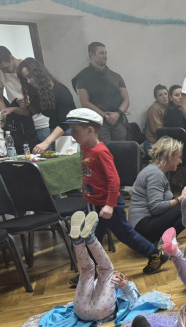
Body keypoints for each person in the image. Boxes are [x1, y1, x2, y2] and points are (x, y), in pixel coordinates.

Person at [67, 108, 168, 274]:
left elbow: (114, 180)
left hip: (109, 205)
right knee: (91, 238)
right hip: (94, 204)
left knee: (125, 234)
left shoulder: (101, 152)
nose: (72, 134)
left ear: (90, 130)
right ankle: (90, 272)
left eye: (75, 130)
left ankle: (155, 254)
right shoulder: (85, 147)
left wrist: (109, 205)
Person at [129, 136, 186, 245]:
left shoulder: (154, 170)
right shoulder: (156, 174)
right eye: (179, 157)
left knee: (185, 204)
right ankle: (166, 243)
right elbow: (156, 208)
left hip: (142, 224)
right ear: (169, 157)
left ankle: (165, 242)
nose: (180, 161)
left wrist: (180, 199)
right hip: (143, 226)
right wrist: (180, 199)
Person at [0, 45, 48, 147]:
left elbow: (45, 92)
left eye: (5, 67)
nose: (3, 71)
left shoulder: (28, 68)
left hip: (41, 123)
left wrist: (29, 101)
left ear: (11, 58)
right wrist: (5, 114)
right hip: (21, 124)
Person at [72, 42, 130, 143]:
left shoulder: (116, 76)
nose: (105, 56)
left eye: (106, 53)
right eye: (101, 53)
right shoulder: (83, 77)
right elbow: (85, 103)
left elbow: (126, 99)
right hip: (98, 123)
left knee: (122, 149)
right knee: (103, 149)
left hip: (118, 120)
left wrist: (118, 113)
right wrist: (105, 116)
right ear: (92, 54)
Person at [16, 58, 77, 154]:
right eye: (26, 78)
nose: (28, 81)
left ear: (38, 73)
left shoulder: (60, 91)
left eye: (30, 76)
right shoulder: (40, 93)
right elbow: (31, 111)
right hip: (55, 131)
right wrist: (13, 109)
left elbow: (64, 122)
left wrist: (46, 142)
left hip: (69, 132)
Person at [144, 84, 169, 153]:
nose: (164, 97)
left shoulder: (168, 106)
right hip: (153, 143)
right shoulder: (154, 109)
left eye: (165, 94)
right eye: (160, 95)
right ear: (156, 98)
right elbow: (158, 131)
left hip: (164, 140)